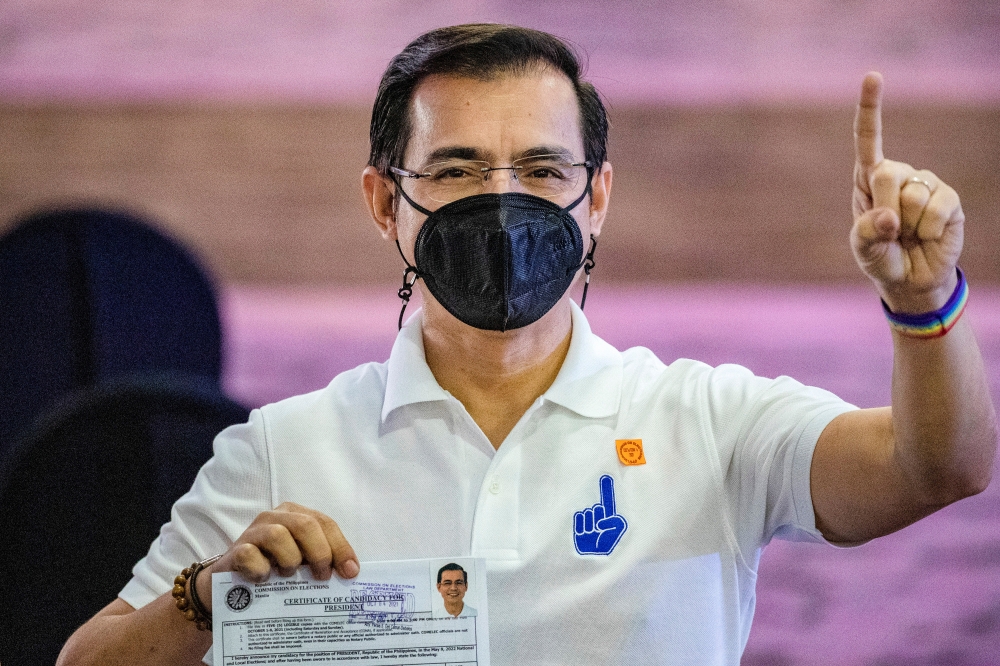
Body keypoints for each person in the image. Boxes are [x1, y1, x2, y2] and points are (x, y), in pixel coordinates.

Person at [58, 23, 996, 666]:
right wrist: (210, 596)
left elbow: (936, 467)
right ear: (388, 202)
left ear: (596, 199)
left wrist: (926, 305)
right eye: (459, 169)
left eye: (543, 170)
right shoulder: (281, 447)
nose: (503, 200)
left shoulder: (707, 420)